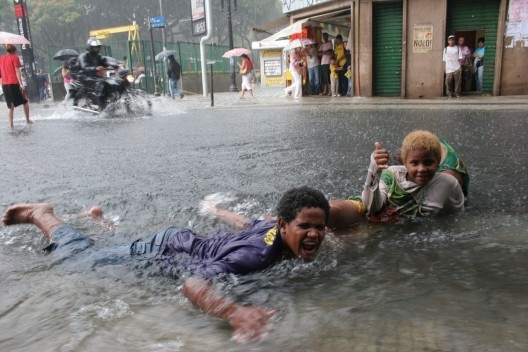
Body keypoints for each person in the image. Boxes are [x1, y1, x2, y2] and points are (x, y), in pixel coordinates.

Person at [2, 186, 330, 342]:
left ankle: (100, 221)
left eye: (320, 227)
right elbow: (192, 284)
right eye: (306, 227)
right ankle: (41, 214)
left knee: (120, 248)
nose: (314, 234)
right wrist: (233, 312)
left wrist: (216, 212)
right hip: (162, 252)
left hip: (178, 240)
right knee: (78, 259)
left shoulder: (272, 225)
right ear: (285, 225)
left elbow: (248, 223)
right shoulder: (255, 256)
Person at [327, 130, 465, 229]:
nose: (422, 169)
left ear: (438, 163)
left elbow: (458, 215)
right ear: (404, 162)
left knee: (345, 240)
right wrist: (374, 170)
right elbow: (372, 207)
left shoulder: (448, 183)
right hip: (372, 208)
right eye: (415, 163)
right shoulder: (391, 175)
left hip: (389, 225)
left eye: (428, 163)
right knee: (332, 212)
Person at [74, 37, 114, 110]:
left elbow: (105, 62)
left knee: (109, 81)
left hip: (94, 76)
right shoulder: (83, 56)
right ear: (90, 47)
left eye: (98, 47)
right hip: (83, 77)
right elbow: (84, 67)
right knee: (100, 83)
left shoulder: (98, 56)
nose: (97, 49)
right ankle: (101, 106)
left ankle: (110, 99)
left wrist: (116, 65)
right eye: (95, 47)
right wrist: (95, 68)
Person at [0, 44, 32, 129]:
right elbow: (17, 71)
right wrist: (21, 84)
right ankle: (28, 120)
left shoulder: (1, 58)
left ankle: (11, 125)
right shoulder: (15, 57)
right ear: (14, 51)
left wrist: (1, 83)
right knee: (25, 101)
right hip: (13, 83)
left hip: (4, 84)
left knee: (10, 105)